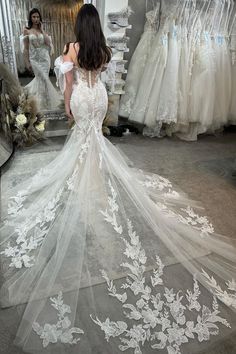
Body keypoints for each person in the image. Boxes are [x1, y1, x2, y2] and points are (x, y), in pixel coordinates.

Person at [0, 4, 236, 354]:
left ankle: (84, 178)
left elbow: (67, 84)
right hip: (99, 98)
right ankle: (92, 176)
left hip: (82, 97)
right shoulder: (103, 50)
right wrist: (95, 102)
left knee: (81, 140)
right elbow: (103, 81)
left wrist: (67, 107)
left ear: (80, 25)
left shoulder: (70, 49)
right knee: (94, 139)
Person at [22, 8, 61, 110]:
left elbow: (48, 43)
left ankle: (45, 102)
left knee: (44, 79)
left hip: (45, 59)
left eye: (38, 17)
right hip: (34, 59)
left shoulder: (42, 30)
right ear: (30, 18)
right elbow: (26, 49)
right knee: (42, 79)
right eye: (34, 17)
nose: (36, 19)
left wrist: (42, 29)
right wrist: (27, 62)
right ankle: (39, 102)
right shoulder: (26, 30)